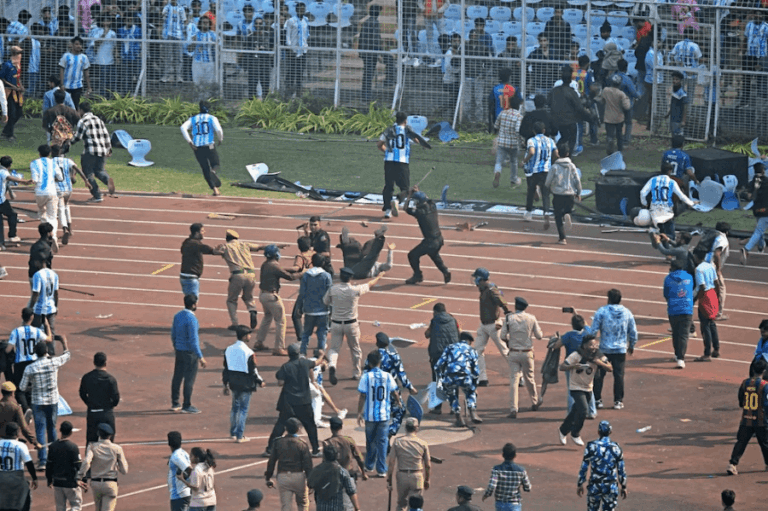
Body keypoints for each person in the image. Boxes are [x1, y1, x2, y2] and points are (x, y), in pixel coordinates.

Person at [323, 267, 384, 383]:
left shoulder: (333, 289)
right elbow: (369, 284)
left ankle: (332, 365)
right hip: (351, 323)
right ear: (350, 278)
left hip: (335, 323)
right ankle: (356, 373)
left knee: (334, 349)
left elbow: (325, 301)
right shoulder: (355, 290)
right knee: (355, 349)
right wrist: (379, 277)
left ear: (340, 277)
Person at [19, 334, 69, 470]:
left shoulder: (30, 368)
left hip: (37, 401)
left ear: (36, 353)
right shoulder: (54, 362)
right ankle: (54, 458)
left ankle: (43, 460)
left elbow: (22, 387)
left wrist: (32, 386)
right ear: (46, 351)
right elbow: (67, 355)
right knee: (51, 428)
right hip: (52, 400)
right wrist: (64, 343)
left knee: (40, 430)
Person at [583, 289, 637, 410]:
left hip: (604, 349)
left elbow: (593, 331)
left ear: (609, 299)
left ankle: (598, 400)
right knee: (619, 376)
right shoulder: (627, 312)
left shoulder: (602, 311)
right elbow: (633, 331)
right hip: (620, 349)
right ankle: (618, 401)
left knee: (599, 375)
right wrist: (632, 345)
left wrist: (588, 338)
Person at [266, 343, 324, 456]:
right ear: (298, 353)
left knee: (280, 425)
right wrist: (322, 355)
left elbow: (280, 382)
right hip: (304, 401)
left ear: (289, 354)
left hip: (289, 402)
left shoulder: (286, 367)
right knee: (310, 426)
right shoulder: (305, 363)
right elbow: (317, 362)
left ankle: (269, 449)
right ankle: (316, 449)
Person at [558, 336, 611, 446]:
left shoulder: (598, 355)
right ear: (584, 345)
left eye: (595, 345)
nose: (593, 347)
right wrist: (572, 366)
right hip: (576, 387)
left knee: (574, 412)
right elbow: (562, 367)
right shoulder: (576, 355)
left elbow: (610, 368)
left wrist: (599, 363)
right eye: (591, 345)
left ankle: (563, 430)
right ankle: (575, 433)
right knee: (583, 410)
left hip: (588, 387)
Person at [363, 332, 418, 437]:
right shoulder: (394, 357)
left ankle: (377, 435)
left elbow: (365, 374)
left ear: (376, 343)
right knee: (400, 410)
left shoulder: (372, 357)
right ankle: (390, 431)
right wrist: (410, 388)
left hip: (374, 391)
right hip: (391, 390)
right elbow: (401, 374)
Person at [357, 350, 400, 477]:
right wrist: (398, 402)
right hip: (383, 415)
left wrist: (359, 412)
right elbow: (394, 392)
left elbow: (362, 396)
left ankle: (369, 465)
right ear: (380, 362)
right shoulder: (387, 376)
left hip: (370, 415)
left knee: (370, 441)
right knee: (382, 442)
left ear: (369, 363)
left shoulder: (366, 377)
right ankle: (381, 469)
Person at [500, 297, 544, 419]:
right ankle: (534, 401)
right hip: (527, 352)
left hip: (513, 352)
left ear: (515, 306)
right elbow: (539, 336)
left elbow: (503, 336)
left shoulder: (509, 318)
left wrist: (510, 341)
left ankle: (513, 408)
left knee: (514, 380)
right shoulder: (531, 318)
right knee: (530, 378)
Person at [377, 112, 424, 219]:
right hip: (402, 162)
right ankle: (397, 200)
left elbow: (379, 144)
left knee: (388, 186)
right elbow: (417, 141)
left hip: (389, 161)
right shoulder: (407, 130)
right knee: (406, 188)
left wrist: (387, 151)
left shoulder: (388, 130)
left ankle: (387, 210)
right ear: (405, 120)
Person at [223, 326, 265, 442]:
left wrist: (225, 384)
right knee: (243, 409)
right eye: (249, 335)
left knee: (235, 408)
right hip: (246, 383)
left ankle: (233, 432)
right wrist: (260, 381)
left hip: (233, 382)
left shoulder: (228, 349)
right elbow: (253, 371)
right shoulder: (249, 352)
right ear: (245, 336)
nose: (250, 337)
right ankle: (240, 435)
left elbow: (225, 368)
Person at [216, 229, 264, 331]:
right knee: (248, 297)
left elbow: (215, 252)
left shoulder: (226, 247)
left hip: (237, 275)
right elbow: (260, 247)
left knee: (231, 300)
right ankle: (252, 310)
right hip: (251, 274)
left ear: (227, 238)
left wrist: (217, 248)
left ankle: (235, 323)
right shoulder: (244, 245)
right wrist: (276, 246)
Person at [727, 358, 768, 475]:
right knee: (764, 443)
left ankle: (732, 463)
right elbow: (766, 404)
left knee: (741, 442)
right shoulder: (765, 386)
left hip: (746, 419)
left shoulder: (745, 383)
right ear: (764, 371)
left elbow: (741, 401)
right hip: (761, 420)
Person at [69, 101, 115, 203]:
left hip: (90, 150)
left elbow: (77, 137)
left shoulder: (83, 121)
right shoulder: (99, 120)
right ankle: (108, 180)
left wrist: (68, 142)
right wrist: (108, 149)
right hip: (102, 150)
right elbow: (106, 135)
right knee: (99, 171)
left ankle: (97, 195)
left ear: (80, 110)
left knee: (87, 173)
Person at [471, 267, 510, 387]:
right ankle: (482, 378)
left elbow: (501, 299)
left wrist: (507, 312)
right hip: (483, 324)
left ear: (480, 279)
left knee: (504, 350)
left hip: (494, 325)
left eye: (476, 278)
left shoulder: (491, 289)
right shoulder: (485, 288)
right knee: (477, 351)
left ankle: (520, 377)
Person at [403, 186, 450, 284]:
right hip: (439, 239)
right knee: (433, 254)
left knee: (412, 255)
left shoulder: (420, 213)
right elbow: (427, 198)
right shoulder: (432, 205)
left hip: (430, 241)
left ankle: (417, 275)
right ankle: (445, 271)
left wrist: (409, 196)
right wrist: (418, 192)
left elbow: (405, 208)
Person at [256, 244, 297, 356]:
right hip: (271, 296)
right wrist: (302, 273)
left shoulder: (265, 264)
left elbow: (280, 270)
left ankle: (259, 342)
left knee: (267, 317)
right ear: (276, 255)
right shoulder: (274, 266)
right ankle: (278, 347)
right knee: (281, 321)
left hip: (263, 295)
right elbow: (290, 277)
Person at [5, 307, 48, 413]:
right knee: (33, 386)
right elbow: (49, 339)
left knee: (19, 390)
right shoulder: (37, 331)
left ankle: (26, 408)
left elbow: (8, 349)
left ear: (22, 317)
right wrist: (47, 325)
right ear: (32, 317)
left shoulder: (16, 332)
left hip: (20, 364)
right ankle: (32, 407)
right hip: (34, 362)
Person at [265, 417, 313, 511]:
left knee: (286, 506)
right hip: (299, 476)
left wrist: (268, 477)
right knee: (303, 504)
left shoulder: (278, 442)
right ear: (298, 429)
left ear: (285, 428)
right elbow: (308, 465)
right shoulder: (302, 444)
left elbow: (271, 461)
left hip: (283, 477)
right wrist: (310, 482)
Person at [577, 421, 628, 509]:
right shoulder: (616, 448)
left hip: (594, 486)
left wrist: (580, 483)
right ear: (610, 432)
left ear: (598, 432)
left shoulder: (591, 446)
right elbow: (621, 469)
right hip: (610, 486)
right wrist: (623, 486)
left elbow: (584, 467)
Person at [434, 331, 481, 427]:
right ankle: (472, 411)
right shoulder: (472, 350)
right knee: (470, 392)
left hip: (450, 376)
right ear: (469, 341)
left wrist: (440, 379)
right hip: (465, 376)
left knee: (452, 395)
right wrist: (475, 385)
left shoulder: (450, 347)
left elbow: (438, 365)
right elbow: (476, 371)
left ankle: (458, 416)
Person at [170, 294, 207, 414]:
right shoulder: (192, 319)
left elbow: (173, 334)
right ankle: (187, 404)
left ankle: (175, 402)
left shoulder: (178, 316)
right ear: (194, 305)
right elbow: (193, 340)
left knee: (177, 377)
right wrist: (200, 356)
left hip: (179, 351)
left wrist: (176, 346)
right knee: (189, 379)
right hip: (189, 353)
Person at [78, 423, 129, 511]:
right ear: (110, 436)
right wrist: (116, 464)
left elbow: (86, 462)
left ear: (98, 434)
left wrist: (79, 476)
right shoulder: (117, 448)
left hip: (96, 484)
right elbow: (124, 470)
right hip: (110, 483)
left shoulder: (92, 447)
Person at [639, 162, 695, 239]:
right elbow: (681, 196)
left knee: (662, 229)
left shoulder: (653, 180)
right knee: (671, 236)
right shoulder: (672, 182)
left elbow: (642, 192)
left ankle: (655, 231)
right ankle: (658, 236)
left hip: (654, 210)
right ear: (669, 171)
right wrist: (692, 204)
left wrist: (644, 203)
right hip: (667, 210)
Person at [180, 101, 224, 196]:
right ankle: (213, 171)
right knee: (216, 163)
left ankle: (215, 190)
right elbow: (218, 130)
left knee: (204, 168)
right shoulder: (212, 118)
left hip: (197, 147)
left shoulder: (193, 119)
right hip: (210, 145)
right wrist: (220, 139)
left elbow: (183, 127)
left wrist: (190, 142)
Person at [386, 417, 430, 511]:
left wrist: (389, 481)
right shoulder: (423, 443)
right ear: (417, 428)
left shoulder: (397, 442)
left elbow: (391, 463)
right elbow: (428, 465)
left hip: (402, 475)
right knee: (415, 505)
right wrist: (427, 480)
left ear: (405, 428)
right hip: (417, 476)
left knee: (401, 504)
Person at [549, 66, 594, 154]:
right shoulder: (572, 91)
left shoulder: (555, 89)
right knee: (571, 140)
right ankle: (567, 157)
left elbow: (549, 102)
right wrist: (589, 117)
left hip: (557, 118)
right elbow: (579, 106)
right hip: (569, 120)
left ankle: (557, 154)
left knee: (563, 138)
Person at [51, 144, 89, 246]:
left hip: (57, 189)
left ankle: (64, 229)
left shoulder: (50, 162)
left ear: (51, 153)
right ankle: (70, 228)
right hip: (68, 188)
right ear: (60, 152)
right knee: (66, 206)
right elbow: (78, 170)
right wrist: (86, 181)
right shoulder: (68, 161)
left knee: (60, 209)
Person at [425, 302, 459, 414]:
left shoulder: (434, 321)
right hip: (452, 354)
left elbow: (427, 334)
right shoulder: (453, 320)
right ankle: (454, 407)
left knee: (437, 380)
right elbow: (459, 333)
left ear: (436, 312)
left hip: (438, 355)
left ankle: (438, 408)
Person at [79, 351, 120, 445]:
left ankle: (90, 459)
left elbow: (82, 393)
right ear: (105, 363)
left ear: (94, 362)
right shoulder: (110, 379)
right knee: (109, 441)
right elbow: (116, 398)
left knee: (91, 441)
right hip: (106, 412)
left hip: (93, 412)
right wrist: (110, 406)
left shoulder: (87, 377)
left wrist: (89, 403)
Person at [546, 141, 582, 245]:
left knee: (558, 216)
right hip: (570, 193)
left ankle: (562, 238)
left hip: (558, 194)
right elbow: (577, 180)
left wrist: (548, 188)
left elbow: (548, 181)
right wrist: (578, 192)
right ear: (567, 153)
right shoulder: (572, 166)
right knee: (567, 209)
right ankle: (567, 213)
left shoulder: (554, 167)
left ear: (558, 153)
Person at [521, 122, 558, 224]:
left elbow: (532, 152)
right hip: (546, 170)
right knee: (545, 193)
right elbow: (556, 153)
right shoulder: (550, 140)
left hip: (534, 170)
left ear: (533, 131)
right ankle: (546, 212)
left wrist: (524, 161)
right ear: (544, 130)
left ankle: (528, 213)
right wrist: (553, 162)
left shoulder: (531, 140)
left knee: (531, 191)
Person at [307, 444, 361, 511]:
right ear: (337, 456)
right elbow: (351, 491)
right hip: (338, 508)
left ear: (324, 456)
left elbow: (310, 484)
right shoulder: (342, 472)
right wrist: (357, 508)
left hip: (321, 508)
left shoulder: (316, 470)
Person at [30, 144, 64, 251]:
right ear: (50, 153)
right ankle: (53, 235)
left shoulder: (34, 163)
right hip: (52, 192)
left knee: (42, 214)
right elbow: (60, 177)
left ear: (39, 153)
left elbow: (34, 179)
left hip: (40, 192)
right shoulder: (54, 162)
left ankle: (46, 236)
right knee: (53, 216)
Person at [299, 252, 332, 355]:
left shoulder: (306, 276)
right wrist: (331, 309)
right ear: (323, 263)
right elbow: (330, 293)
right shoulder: (326, 276)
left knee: (306, 334)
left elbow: (302, 293)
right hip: (323, 310)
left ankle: (302, 354)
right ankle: (320, 356)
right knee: (322, 334)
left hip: (309, 310)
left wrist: (300, 307)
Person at [481, 442, 532, 510]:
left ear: (503, 455)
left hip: (501, 503)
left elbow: (491, 486)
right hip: (514, 504)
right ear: (515, 455)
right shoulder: (521, 470)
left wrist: (486, 495)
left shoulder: (497, 469)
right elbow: (527, 488)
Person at [663, 260, 694, 369]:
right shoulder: (689, 277)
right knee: (684, 335)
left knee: (675, 333)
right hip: (687, 309)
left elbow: (666, 294)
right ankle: (681, 358)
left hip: (673, 309)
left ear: (672, 268)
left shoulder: (668, 278)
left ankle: (678, 355)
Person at [46, 420, 84, 511]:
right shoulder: (73, 447)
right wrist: (83, 479)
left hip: (57, 482)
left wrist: (49, 479)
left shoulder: (53, 446)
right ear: (71, 432)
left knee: (60, 507)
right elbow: (78, 465)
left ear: (60, 430)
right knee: (76, 506)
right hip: (70, 482)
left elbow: (49, 465)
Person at [0, 423, 38, 511]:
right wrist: (34, 478)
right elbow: (29, 463)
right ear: (17, 433)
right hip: (16, 478)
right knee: (25, 499)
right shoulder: (20, 446)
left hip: (1, 476)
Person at [692, 247, 720, 361]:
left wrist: (694, 299)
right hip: (713, 294)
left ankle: (707, 353)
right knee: (712, 323)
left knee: (705, 327)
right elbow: (716, 282)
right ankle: (716, 349)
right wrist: (716, 296)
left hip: (705, 297)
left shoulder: (698, 269)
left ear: (695, 256)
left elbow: (702, 286)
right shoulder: (710, 266)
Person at [180, 223, 220, 298]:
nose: (204, 232)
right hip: (190, 277)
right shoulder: (194, 244)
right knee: (192, 302)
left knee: (189, 300)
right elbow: (207, 249)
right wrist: (220, 251)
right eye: (202, 230)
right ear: (197, 233)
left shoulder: (187, 242)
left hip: (185, 276)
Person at [0, 156, 31, 250]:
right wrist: (26, 182)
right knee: (12, 215)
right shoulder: (3, 172)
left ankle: (1, 243)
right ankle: (12, 236)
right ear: (10, 165)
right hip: (1, 201)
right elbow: (12, 179)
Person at [323, 416, 367, 482]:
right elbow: (359, 457)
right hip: (349, 473)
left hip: (334, 475)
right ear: (341, 427)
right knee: (352, 491)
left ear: (331, 428)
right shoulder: (349, 440)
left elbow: (324, 462)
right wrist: (363, 473)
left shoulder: (327, 443)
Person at [493, 93, 523, 188]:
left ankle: (497, 173)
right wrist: (521, 140)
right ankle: (513, 179)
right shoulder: (519, 116)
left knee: (499, 161)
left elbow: (496, 126)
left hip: (501, 142)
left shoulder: (503, 113)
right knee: (513, 161)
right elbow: (518, 130)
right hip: (513, 144)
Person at [595, 74, 630, 155]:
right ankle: (619, 151)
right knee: (619, 135)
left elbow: (602, 100)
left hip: (608, 117)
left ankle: (610, 149)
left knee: (609, 135)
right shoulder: (621, 94)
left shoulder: (606, 90)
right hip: (618, 118)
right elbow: (627, 107)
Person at [741, 163, 768, 265]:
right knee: (759, 230)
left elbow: (749, 196)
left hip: (757, 210)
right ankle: (746, 249)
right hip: (767, 210)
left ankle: (761, 246)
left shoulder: (752, 182)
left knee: (760, 229)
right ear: (763, 171)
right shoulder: (766, 181)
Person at [0, 382, 40, 448]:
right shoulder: (16, 407)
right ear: (13, 393)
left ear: (2, 392)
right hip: (13, 440)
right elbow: (24, 428)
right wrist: (35, 442)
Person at [283, 2, 309, 98]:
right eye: (300, 9)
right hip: (293, 50)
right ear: (296, 10)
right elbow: (288, 36)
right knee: (291, 71)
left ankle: (298, 91)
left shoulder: (306, 20)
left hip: (303, 50)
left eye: (303, 9)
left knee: (300, 71)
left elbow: (306, 34)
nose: (301, 10)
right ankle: (288, 91)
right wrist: (290, 48)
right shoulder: (291, 21)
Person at [707, 221, 731, 321]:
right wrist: (718, 269)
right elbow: (717, 254)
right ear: (727, 232)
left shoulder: (711, 235)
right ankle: (718, 313)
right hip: (712, 267)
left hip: (702, 264)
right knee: (721, 289)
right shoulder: (722, 240)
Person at [58, 36, 91, 110]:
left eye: (80, 44)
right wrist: (62, 84)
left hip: (78, 86)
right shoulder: (66, 56)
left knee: (75, 106)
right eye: (76, 44)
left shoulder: (84, 57)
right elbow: (61, 70)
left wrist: (89, 87)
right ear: (72, 45)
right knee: (64, 106)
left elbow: (86, 73)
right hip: (66, 86)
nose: (78, 46)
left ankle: (74, 121)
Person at [359, 5, 383, 102]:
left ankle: (365, 95)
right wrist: (379, 52)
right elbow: (375, 40)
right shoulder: (374, 23)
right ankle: (366, 96)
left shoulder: (367, 22)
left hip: (366, 52)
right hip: (371, 53)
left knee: (367, 74)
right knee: (369, 75)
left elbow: (362, 38)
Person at [0, 46, 25, 142]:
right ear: (14, 54)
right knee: (13, 113)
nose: (21, 55)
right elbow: (2, 78)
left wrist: (21, 86)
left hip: (17, 92)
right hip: (9, 92)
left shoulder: (18, 65)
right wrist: (12, 86)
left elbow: (18, 78)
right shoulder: (7, 65)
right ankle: (9, 134)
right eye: (19, 53)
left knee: (19, 113)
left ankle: (6, 131)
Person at [161, 0, 186, 83]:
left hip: (178, 35)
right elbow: (163, 20)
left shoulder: (181, 8)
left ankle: (178, 76)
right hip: (168, 34)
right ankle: (166, 76)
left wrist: (183, 33)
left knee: (178, 57)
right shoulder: (166, 8)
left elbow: (184, 21)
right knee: (168, 56)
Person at [167, 431, 193, 511]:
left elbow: (189, 469)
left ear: (169, 443)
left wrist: (185, 481)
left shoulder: (176, 456)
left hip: (179, 495)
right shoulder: (183, 453)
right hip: (183, 494)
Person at [29, 222, 55, 286]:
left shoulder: (35, 245)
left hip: (33, 274)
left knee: (35, 295)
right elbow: (43, 263)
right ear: (48, 233)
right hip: (40, 277)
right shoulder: (45, 248)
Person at [665, 71, 688, 136]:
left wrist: (683, 121)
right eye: (673, 79)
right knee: (673, 134)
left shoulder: (682, 93)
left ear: (681, 81)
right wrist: (668, 114)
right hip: (673, 117)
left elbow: (685, 107)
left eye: (677, 79)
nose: (674, 81)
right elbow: (673, 104)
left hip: (678, 119)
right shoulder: (674, 90)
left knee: (678, 135)